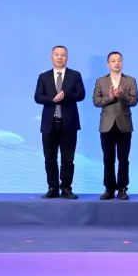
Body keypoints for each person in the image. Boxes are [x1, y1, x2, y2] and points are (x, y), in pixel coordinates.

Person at [34, 45, 86, 199]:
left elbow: (81, 94)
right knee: (50, 158)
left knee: (68, 158)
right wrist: (52, 99)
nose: (59, 57)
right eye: (56, 54)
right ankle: (52, 188)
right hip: (49, 123)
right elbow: (37, 97)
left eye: (63, 55)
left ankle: (66, 188)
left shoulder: (75, 75)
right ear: (51, 57)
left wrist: (65, 96)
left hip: (69, 123)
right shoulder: (43, 76)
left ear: (67, 57)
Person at [92, 51, 138, 200]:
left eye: (119, 60)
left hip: (124, 124)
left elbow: (134, 101)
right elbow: (96, 101)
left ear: (122, 62)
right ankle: (109, 189)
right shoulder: (101, 81)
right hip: (106, 125)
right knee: (108, 159)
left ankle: (122, 188)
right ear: (108, 64)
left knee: (123, 159)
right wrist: (111, 97)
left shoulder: (130, 80)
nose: (116, 63)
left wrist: (122, 95)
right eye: (113, 60)